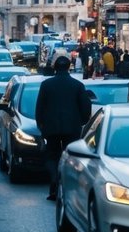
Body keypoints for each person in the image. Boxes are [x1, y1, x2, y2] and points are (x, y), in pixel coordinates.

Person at [35, 56, 92, 201]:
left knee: (52, 155)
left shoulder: (46, 85)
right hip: (72, 127)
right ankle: (67, 187)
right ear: (69, 67)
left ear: (55, 67)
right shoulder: (77, 85)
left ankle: (54, 180)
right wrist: (82, 121)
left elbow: (40, 107)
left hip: (51, 127)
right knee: (71, 158)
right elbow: (86, 107)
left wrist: (41, 125)